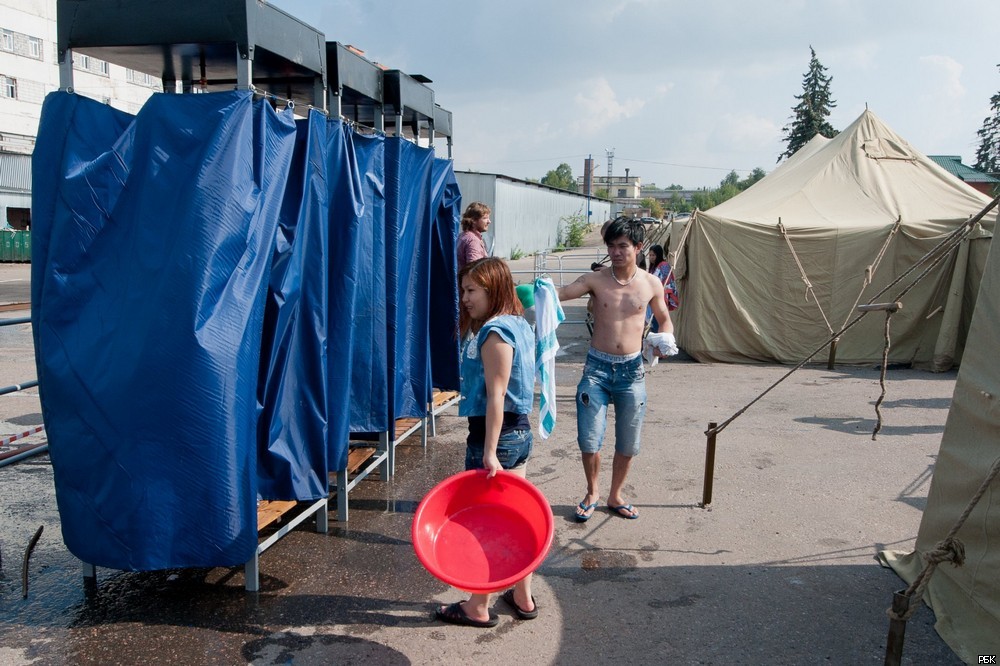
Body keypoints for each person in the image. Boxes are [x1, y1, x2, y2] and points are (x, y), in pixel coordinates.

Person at [435, 257, 539, 628]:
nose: (464, 298)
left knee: (488, 524)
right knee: (517, 519)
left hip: (497, 438)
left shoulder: (494, 331)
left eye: (471, 290)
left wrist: (490, 453)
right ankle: (522, 596)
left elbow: (497, 396)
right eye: (462, 290)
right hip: (517, 434)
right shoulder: (518, 324)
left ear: (493, 289)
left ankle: (478, 606)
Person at [557, 217, 675, 522]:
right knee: (589, 438)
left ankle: (615, 495)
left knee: (628, 441)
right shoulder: (595, 280)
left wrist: (665, 337)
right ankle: (592, 491)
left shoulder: (651, 283)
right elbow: (562, 293)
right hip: (596, 368)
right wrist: (523, 291)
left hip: (632, 371)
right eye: (611, 245)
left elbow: (664, 317)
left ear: (638, 247)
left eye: (623, 245)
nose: (616, 251)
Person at [646, 244, 678, 333]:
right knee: (652, 321)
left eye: (653, 255)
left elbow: (667, 282)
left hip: (660, 298)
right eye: (650, 255)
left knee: (658, 321)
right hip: (652, 298)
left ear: (658, 255)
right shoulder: (653, 267)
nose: (651, 258)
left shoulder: (663, 266)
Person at [456, 202, 491, 270]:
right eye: (485, 218)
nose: (489, 221)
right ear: (474, 220)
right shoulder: (473, 240)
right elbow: (475, 271)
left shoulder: (463, 236)